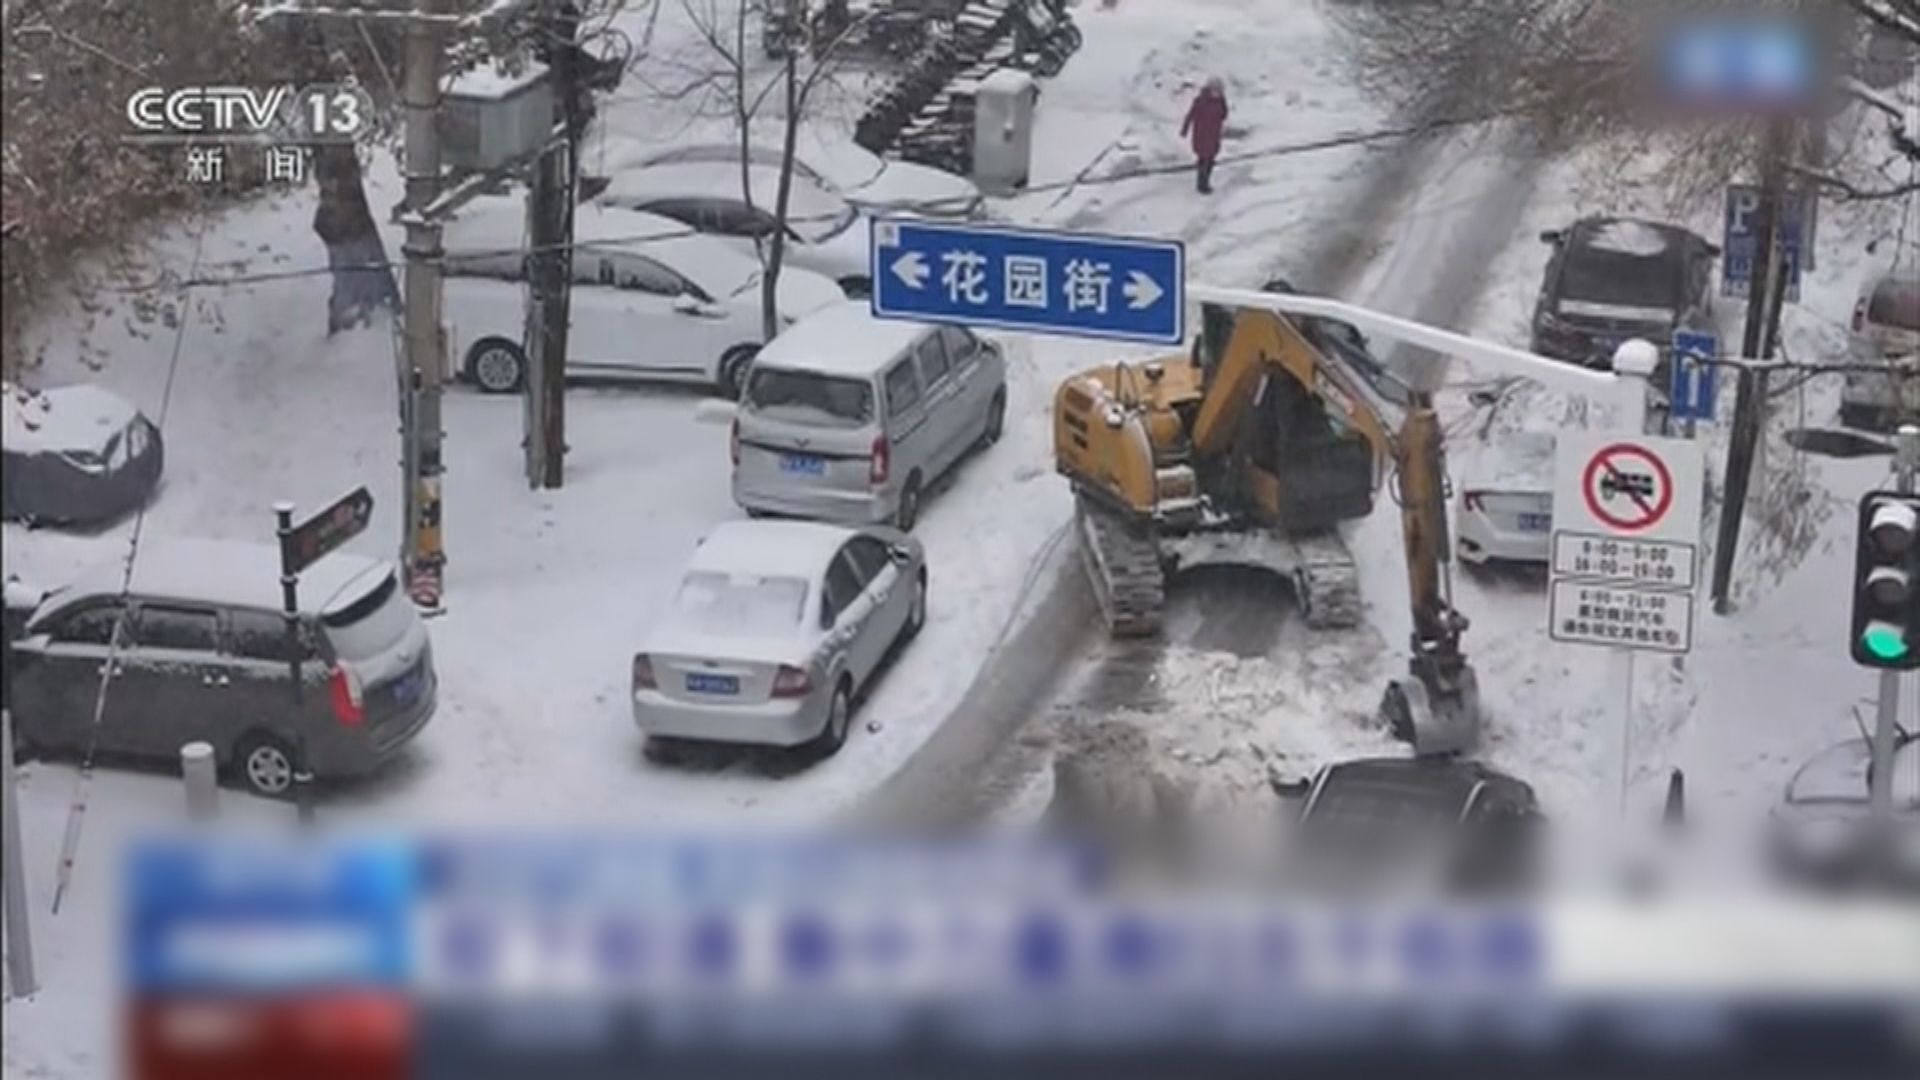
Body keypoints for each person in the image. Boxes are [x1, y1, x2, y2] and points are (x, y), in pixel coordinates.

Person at [1180, 78, 1228, 194]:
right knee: (1203, 159)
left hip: (1213, 135)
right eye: (1216, 90)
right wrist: (1185, 129)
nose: (1218, 93)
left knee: (1211, 159)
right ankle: (1202, 185)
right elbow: (1190, 115)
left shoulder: (1220, 102)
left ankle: (1205, 181)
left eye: (1220, 91)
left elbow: (1223, 115)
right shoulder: (1200, 101)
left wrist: (1223, 103)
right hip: (1201, 135)